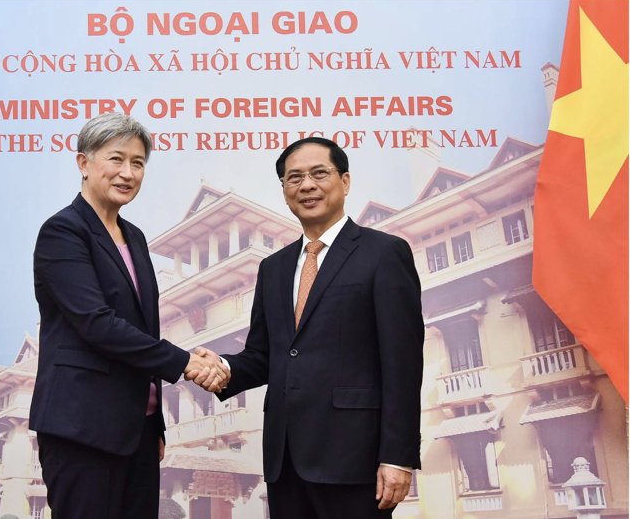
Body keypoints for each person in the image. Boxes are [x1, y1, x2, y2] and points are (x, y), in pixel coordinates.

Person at [190, 137, 424, 518]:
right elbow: (266, 355)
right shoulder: (273, 269)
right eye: (293, 178)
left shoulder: (384, 253)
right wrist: (223, 367)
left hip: (355, 462)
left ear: (344, 181)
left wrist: (398, 457)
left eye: (319, 173)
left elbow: (403, 362)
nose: (307, 185)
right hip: (285, 462)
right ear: (284, 191)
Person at [29, 113, 229, 519]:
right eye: (116, 159)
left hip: (137, 428)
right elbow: (97, 324)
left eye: (138, 163)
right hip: (83, 427)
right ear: (84, 164)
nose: (128, 173)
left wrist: (154, 424)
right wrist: (187, 363)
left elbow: (142, 329)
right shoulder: (63, 232)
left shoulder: (134, 236)